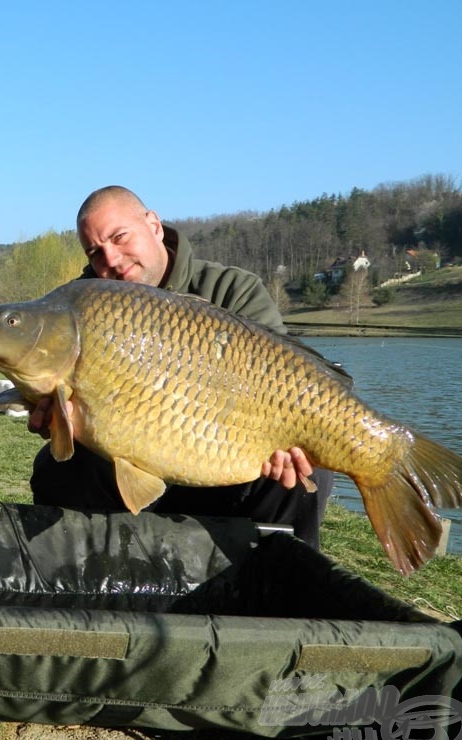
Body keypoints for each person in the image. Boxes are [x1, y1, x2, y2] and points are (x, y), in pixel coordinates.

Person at [28, 185, 333, 548]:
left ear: (154, 225)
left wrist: (285, 440)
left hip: (220, 471)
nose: (110, 258)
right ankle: (98, 579)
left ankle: (269, 587)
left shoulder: (232, 290)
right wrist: (54, 417)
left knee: (307, 469)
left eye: (119, 236)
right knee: (54, 470)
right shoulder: (79, 304)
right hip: (122, 472)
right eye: (95, 251)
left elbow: (286, 381)